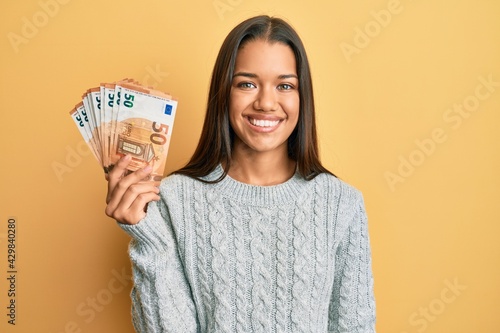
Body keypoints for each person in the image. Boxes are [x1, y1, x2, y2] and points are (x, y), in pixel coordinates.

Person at [105, 15, 376, 332]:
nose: (266, 102)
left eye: (285, 85)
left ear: (303, 98)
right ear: (224, 91)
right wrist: (146, 236)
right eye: (247, 84)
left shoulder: (342, 204)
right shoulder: (172, 200)